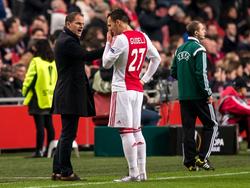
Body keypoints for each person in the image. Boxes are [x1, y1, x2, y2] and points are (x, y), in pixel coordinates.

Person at [102, 9, 161, 182]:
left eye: (110, 25)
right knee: (137, 131)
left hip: (122, 89)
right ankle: (142, 173)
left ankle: (133, 173)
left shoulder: (120, 39)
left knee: (126, 132)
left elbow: (106, 63)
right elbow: (156, 58)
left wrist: (108, 43)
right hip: (137, 89)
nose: (110, 29)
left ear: (119, 22)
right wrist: (144, 79)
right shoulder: (142, 36)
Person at [51, 12, 104, 181]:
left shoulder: (65, 39)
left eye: (82, 23)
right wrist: (109, 47)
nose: (81, 26)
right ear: (67, 24)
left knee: (66, 133)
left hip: (67, 92)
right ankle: (66, 171)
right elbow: (86, 56)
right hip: (69, 93)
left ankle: (58, 170)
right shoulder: (68, 42)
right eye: (77, 23)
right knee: (68, 134)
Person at [170, 20, 218, 171]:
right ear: (196, 33)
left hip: (184, 97)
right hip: (199, 96)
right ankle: (202, 158)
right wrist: (208, 93)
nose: (205, 31)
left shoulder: (179, 49)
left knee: (188, 129)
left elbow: (173, 72)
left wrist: (186, 81)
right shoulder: (199, 49)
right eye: (203, 29)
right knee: (211, 125)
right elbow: (201, 74)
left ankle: (189, 162)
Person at [22, 39, 57, 157]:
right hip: (50, 97)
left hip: (38, 97)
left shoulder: (36, 61)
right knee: (49, 125)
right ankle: (50, 150)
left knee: (40, 127)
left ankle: (38, 151)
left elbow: (29, 78)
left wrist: (24, 91)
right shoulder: (53, 62)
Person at [218, 77, 250, 151]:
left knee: (247, 116)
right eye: (245, 88)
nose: (247, 90)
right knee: (248, 116)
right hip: (225, 130)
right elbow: (246, 109)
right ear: (240, 89)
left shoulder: (233, 95)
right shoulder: (230, 98)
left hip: (229, 125)